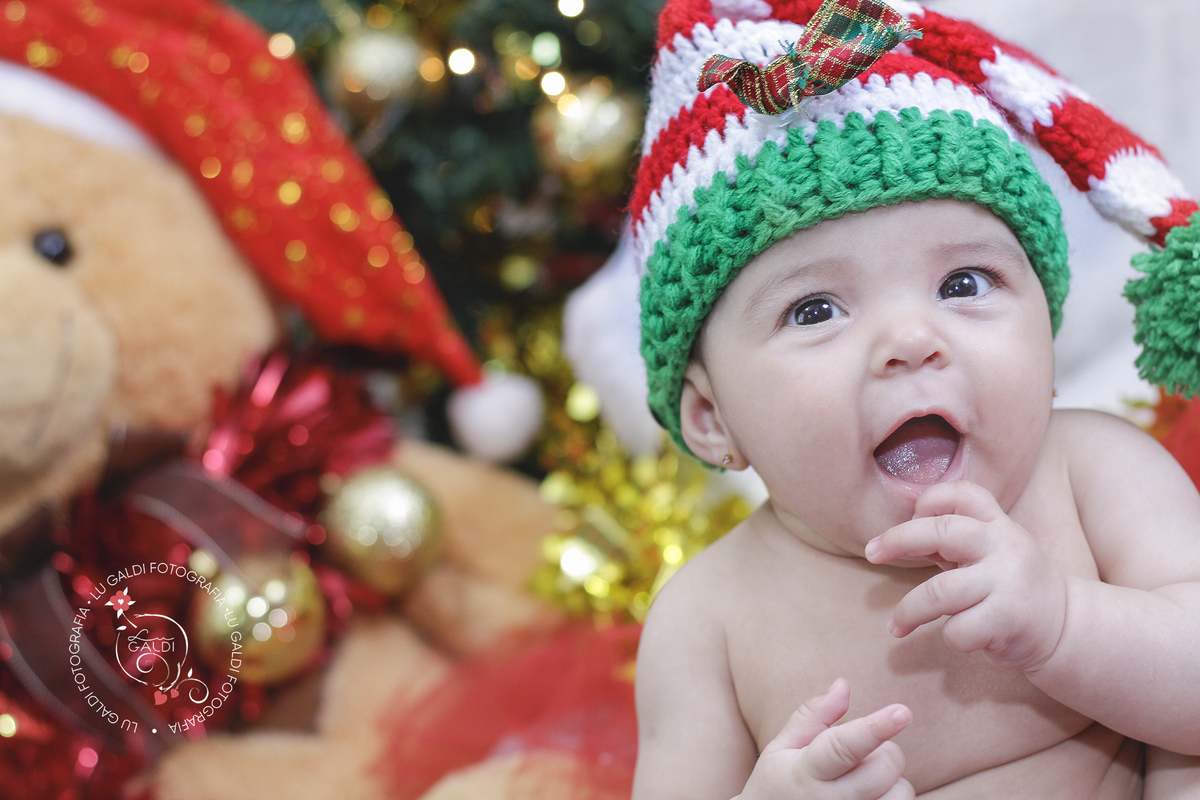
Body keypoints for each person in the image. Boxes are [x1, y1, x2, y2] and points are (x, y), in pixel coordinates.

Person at [627, 0, 1200, 797]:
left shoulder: (1097, 475)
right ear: (712, 418)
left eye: (963, 283)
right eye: (815, 309)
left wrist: (1064, 625)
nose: (910, 339)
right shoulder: (709, 623)